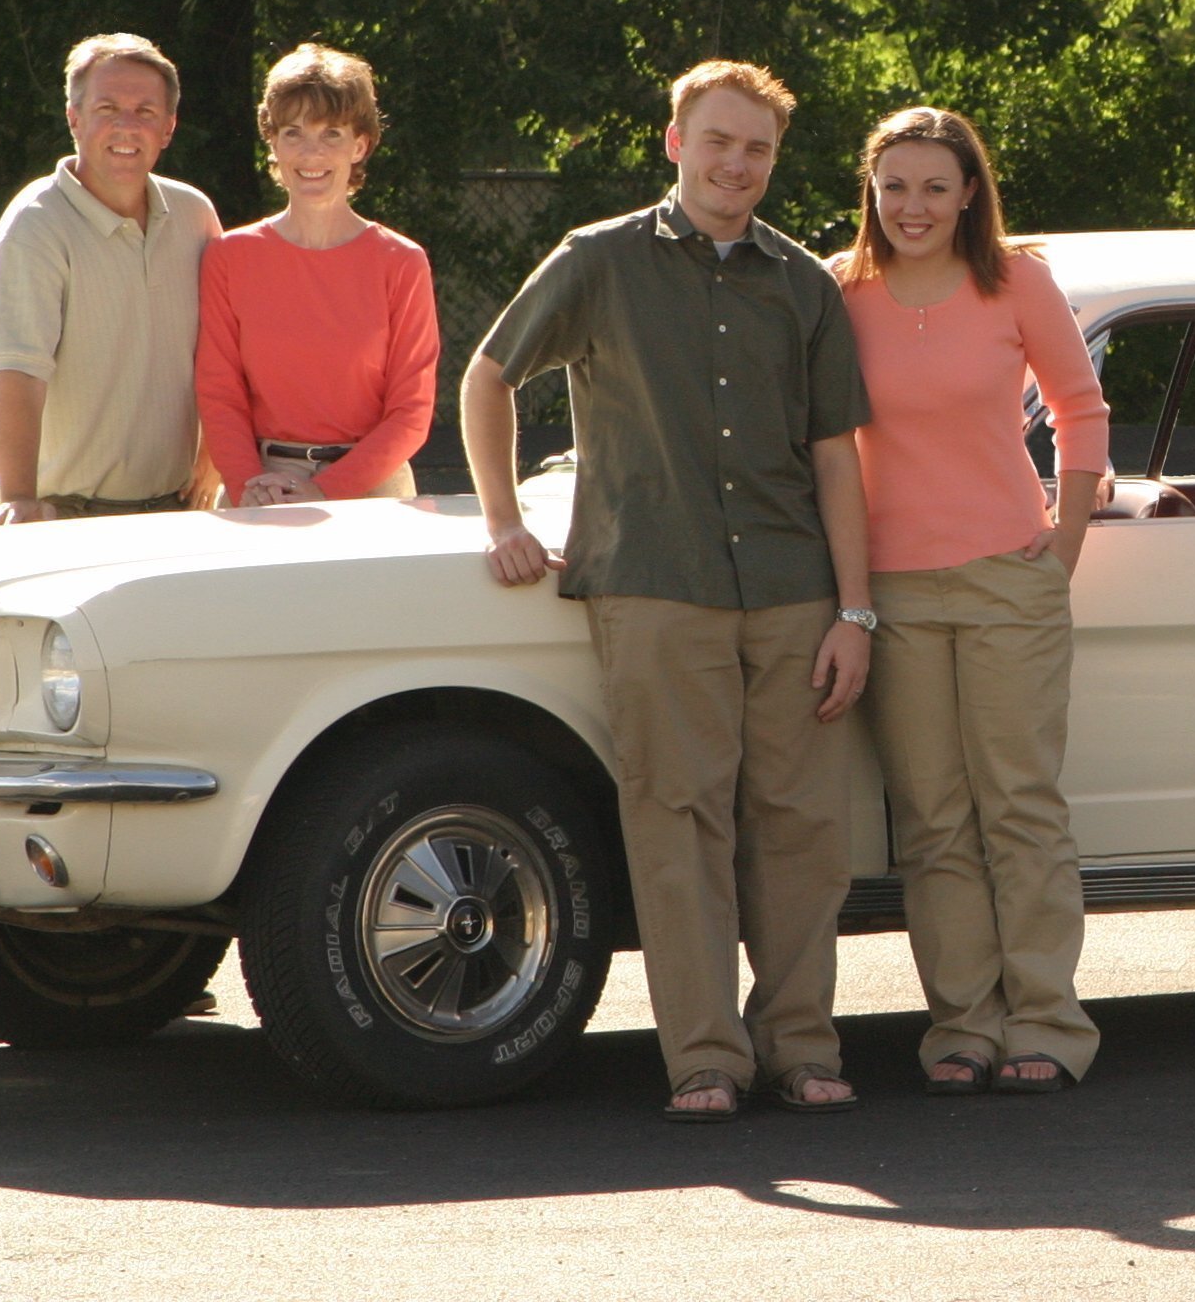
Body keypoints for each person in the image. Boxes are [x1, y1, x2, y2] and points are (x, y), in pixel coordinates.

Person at [460, 60, 876, 1120]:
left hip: (794, 589)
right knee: (676, 817)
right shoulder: (597, 260)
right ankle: (704, 1057)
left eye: (758, 149)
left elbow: (837, 457)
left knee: (799, 826)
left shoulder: (804, 284)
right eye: (720, 140)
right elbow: (490, 372)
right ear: (675, 140)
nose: (737, 163)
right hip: (654, 582)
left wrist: (856, 610)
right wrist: (502, 518)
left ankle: (802, 1045)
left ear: (776, 161)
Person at [829, 106, 1111, 1097]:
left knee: (1020, 805)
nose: (914, 204)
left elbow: (1081, 408)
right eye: (895, 184)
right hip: (889, 587)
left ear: (969, 193)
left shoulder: (1015, 278)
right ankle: (964, 1023)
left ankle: (1048, 1021)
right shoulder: (841, 289)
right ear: (871, 189)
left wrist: (1061, 546)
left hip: (1008, 575)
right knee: (934, 817)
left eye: (935, 186)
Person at [0, 33, 222, 525]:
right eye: (107, 107)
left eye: (145, 112)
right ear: (74, 118)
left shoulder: (195, 215)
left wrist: (214, 455)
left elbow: (224, 352)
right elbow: (18, 375)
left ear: (169, 127)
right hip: (69, 517)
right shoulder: (35, 226)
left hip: (181, 513)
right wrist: (18, 501)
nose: (126, 126)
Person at [195, 44, 439, 506]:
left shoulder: (401, 262)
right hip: (258, 485)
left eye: (332, 133)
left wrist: (321, 490)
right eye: (293, 133)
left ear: (360, 145)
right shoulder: (230, 256)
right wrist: (250, 483)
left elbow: (411, 413)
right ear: (273, 142)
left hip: (373, 488)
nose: (312, 152)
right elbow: (219, 392)